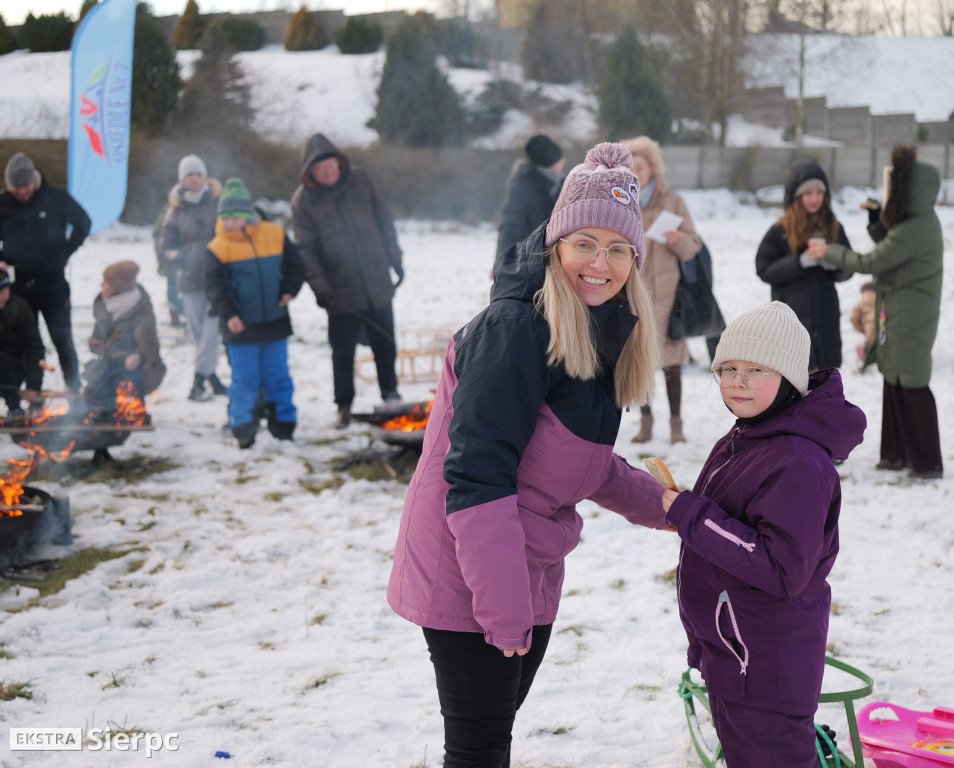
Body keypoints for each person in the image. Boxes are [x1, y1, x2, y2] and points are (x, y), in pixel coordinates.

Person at [387, 143, 672, 768]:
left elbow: (585, 463)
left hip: (526, 564)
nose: (601, 263)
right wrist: (504, 608)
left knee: (492, 737)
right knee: (480, 750)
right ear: (555, 244)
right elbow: (477, 477)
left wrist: (674, 508)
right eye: (585, 244)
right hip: (471, 569)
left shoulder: (597, 326)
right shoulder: (515, 328)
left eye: (618, 249)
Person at [660, 301, 866, 768]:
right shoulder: (750, 434)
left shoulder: (796, 460)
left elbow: (781, 567)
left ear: (790, 377)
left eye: (756, 369)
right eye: (727, 368)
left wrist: (693, 515)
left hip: (764, 669)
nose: (738, 381)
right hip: (736, 656)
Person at [806, 145, 944, 479]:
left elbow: (872, 261)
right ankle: (895, 455)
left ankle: (926, 463)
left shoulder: (915, 229)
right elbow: (889, 245)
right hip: (899, 310)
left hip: (911, 314)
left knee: (911, 383)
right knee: (894, 378)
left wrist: (829, 250)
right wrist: (874, 222)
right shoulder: (914, 223)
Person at [290, 132, 404, 429]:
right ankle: (344, 405)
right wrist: (322, 291)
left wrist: (395, 259)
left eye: (332, 166)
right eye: (321, 170)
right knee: (342, 351)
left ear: (340, 163)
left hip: (376, 280)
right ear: (310, 174)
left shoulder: (360, 181)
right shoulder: (304, 202)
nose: (329, 173)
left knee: (386, 342)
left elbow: (384, 220)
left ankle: (390, 392)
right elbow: (307, 251)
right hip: (339, 291)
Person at [206, 178, 304, 449]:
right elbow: (214, 287)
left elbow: (297, 264)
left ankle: (283, 425)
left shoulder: (274, 234)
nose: (229, 222)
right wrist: (229, 315)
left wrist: (289, 290)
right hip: (240, 326)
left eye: (235, 216)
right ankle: (243, 428)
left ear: (247, 215)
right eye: (225, 217)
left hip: (275, 321)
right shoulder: (217, 247)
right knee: (244, 379)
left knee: (278, 376)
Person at [621, 135, 704, 444]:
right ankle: (645, 422)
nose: (635, 173)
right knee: (640, 362)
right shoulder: (622, 202)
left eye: (640, 167)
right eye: (629, 168)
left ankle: (676, 424)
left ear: (653, 168)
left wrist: (675, 239)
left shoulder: (673, 201)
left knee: (672, 365)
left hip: (672, 299)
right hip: (635, 297)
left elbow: (693, 246)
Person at [0, 152, 91, 393]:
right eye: (16, 187)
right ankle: (30, 395)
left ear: (35, 180)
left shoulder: (57, 198)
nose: (22, 192)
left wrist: (65, 252)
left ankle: (74, 393)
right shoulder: (3, 204)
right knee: (26, 344)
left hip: (53, 285)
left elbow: (83, 223)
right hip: (20, 286)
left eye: (26, 186)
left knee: (63, 341)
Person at [755, 159, 853, 372]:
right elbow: (763, 269)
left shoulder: (834, 227)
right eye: (808, 194)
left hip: (827, 321)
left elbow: (848, 269)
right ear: (796, 197)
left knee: (826, 388)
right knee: (797, 387)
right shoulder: (780, 230)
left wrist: (833, 261)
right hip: (791, 322)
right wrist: (799, 262)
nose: (814, 199)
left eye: (819, 193)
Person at [157, 154, 228, 401]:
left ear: (205, 177)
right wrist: (182, 256)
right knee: (199, 335)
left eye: (198, 174)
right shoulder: (174, 211)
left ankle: (197, 383)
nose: (195, 179)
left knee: (211, 332)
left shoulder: (219, 204)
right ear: (182, 179)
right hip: (189, 281)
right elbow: (164, 247)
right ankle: (213, 378)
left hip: (217, 278)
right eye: (190, 175)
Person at [82, 261, 166, 413]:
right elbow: (98, 337)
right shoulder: (103, 305)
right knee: (93, 391)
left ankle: (131, 411)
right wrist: (97, 344)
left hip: (136, 367)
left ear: (116, 287)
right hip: (110, 362)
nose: (101, 285)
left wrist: (138, 355)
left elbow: (149, 346)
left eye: (106, 282)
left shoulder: (141, 310)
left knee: (122, 379)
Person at [495, 133, 565, 260]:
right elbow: (510, 226)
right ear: (550, 160)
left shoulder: (559, 183)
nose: (563, 161)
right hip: (528, 260)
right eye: (559, 158)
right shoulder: (523, 185)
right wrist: (502, 261)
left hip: (552, 258)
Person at [0, 268, 46, 416]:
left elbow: (35, 348)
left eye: (4, 291)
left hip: (13, 370)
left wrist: (34, 386)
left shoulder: (19, 308)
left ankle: (15, 408)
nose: (3, 297)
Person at [849, 279, 878, 366]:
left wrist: (861, 329)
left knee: (868, 344)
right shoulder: (881, 296)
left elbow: (852, 316)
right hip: (881, 327)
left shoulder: (862, 300)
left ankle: (865, 360)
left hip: (868, 330)